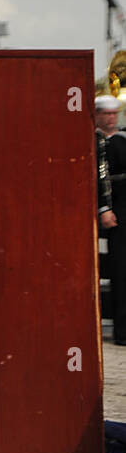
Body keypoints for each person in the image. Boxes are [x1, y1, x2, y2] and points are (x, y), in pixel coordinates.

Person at [96, 94, 126, 344]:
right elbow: (101, 176)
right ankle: (121, 330)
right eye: (106, 113)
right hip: (113, 208)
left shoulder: (122, 138)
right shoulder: (97, 141)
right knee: (119, 269)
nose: (111, 117)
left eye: (114, 113)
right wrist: (104, 207)